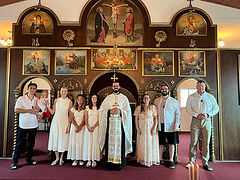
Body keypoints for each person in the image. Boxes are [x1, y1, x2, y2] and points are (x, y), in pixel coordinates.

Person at [186, 80, 219, 171]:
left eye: (202, 86)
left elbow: (216, 108)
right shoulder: (191, 97)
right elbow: (188, 108)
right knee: (193, 141)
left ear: (205, 87)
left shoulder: (210, 97)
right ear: (196, 87)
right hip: (195, 121)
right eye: (199, 86)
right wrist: (197, 114)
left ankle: (205, 162)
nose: (201, 88)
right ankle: (191, 161)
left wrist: (207, 114)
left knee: (206, 142)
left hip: (207, 121)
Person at [99, 81, 132, 171]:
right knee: (109, 143)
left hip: (120, 126)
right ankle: (109, 165)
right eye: (114, 86)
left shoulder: (124, 98)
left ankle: (119, 165)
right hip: (110, 126)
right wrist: (109, 111)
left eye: (117, 86)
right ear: (112, 87)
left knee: (119, 144)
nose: (115, 87)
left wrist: (120, 111)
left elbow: (128, 112)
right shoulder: (108, 98)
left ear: (119, 87)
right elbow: (102, 110)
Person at [10, 82, 40, 170]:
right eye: (31, 88)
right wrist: (29, 110)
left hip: (33, 124)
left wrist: (38, 113)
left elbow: (38, 111)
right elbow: (16, 110)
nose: (32, 90)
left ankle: (29, 159)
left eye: (34, 88)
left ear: (36, 90)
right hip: (23, 125)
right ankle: (14, 162)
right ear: (28, 89)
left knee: (31, 144)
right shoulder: (21, 98)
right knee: (19, 143)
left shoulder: (37, 99)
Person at [154, 84, 181, 169]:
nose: (164, 90)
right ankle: (159, 158)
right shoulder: (156, 101)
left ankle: (171, 160)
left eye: (165, 89)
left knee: (171, 143)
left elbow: (178, 113)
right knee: (160, 143)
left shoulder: (174, 101)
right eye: (162, 89)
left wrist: (177, 124)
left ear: (168, 90)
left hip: (171, 125)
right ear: (161, 91)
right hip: (160, 125)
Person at [48, 87, 72, 166]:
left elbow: (70, 114)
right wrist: (47, 105)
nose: (63, 92)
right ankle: (57, 158)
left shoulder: (69, 101)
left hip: (64, 122)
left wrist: (69, 124)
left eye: (65, 91)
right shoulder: (56, 100)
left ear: (67, 92)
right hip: (56, 122)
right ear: (60, 92)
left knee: (63, 139)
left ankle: (62, 158)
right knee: (56, 138)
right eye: (62, 91)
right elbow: (52, 112)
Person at [134, 94, 159, 167]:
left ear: (149, 99)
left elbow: (155, 118)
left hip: (150, 128)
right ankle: (142, 159)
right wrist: (137, 128)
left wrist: (154, 127)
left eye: (147, 98)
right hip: (142, 128)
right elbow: (136, 119)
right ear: (142, 99)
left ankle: (150, 159)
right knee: (142, 143)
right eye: (144, 98)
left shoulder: (153, 107)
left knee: (150, 143)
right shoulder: (139, 108)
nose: (146, 99)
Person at [82, 95, 101, 168]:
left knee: (95, 142)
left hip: (96, 127)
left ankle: (94, 159)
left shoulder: (99, 108)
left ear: (97, 99)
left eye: (95, 98)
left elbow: (100, 119)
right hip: (88, 127)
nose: (94, 99)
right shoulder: (87, 108)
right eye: (93, 98)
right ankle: (88, 159)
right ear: (91, 99)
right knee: (88, 142)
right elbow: (86, 118)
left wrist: (94, 126)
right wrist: (88, 126)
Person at [67, 95, 86, 166]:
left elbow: (85, 119)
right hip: (74, 127)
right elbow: (72, 118)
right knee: (74, 142)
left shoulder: (85, 109)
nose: (80, 101)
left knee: (81, 143)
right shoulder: (73, 108)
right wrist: (76, 126)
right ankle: (75, 158)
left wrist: (80, 126)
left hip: (82, 127)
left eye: (81, 99)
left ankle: (80, 158)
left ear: (83, 100)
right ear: (76, 100)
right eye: (78, 99)